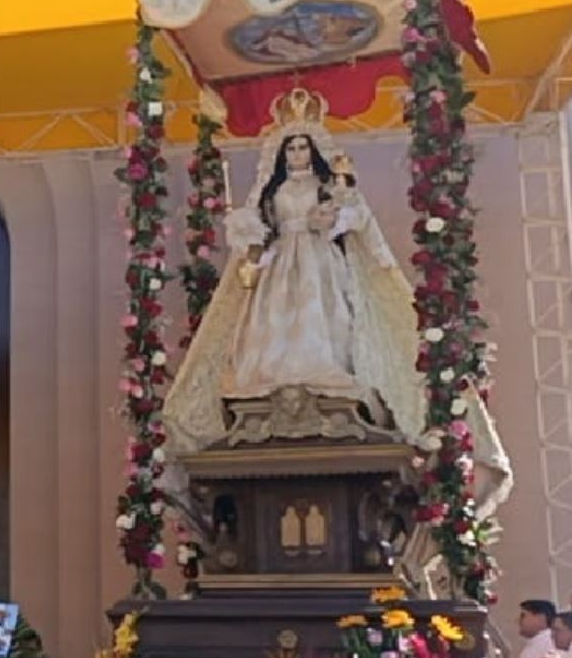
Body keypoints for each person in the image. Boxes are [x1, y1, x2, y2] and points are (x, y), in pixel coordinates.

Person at [165, 92, 511, 515]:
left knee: (323, 321)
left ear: (314, 152)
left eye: (302, 147)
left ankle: (325, 377)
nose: (296, 154)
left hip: (320, 265)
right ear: (280, 155)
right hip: (280, 269)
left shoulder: (327, 186)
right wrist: (253, 237)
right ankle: (273, 385)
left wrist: (334, 218)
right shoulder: (272, 193)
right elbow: (256, 232)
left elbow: (356, 218)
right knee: (267, 329)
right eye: (289, 147)